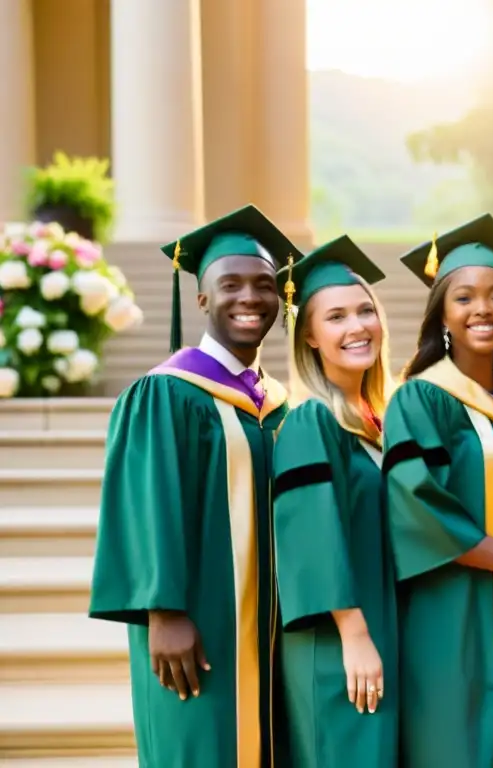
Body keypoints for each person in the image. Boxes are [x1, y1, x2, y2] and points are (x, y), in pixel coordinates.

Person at [89, 204, 298, 767]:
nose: (249, 298)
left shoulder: (278, 403)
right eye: (229, 284)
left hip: (272, 624)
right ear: (201, 298)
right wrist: (164, 612)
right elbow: (146, 505)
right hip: (198, 622)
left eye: (264, 284)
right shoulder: (166, 394)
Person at [382, 214, 493, 768]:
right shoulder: (420, 399)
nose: (484, 309)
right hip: (450, 607)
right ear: (443, 314)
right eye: (465, 297)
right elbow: (415, 499)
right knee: (454, 742)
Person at [271, 236, 398, 766]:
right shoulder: (310, 419)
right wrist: (355, 634)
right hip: (337, 636)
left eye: (365, 310)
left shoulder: (377, 420)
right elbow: (309, 534)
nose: (357, 327)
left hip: (377, 625)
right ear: (311, 339)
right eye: (336, 317)